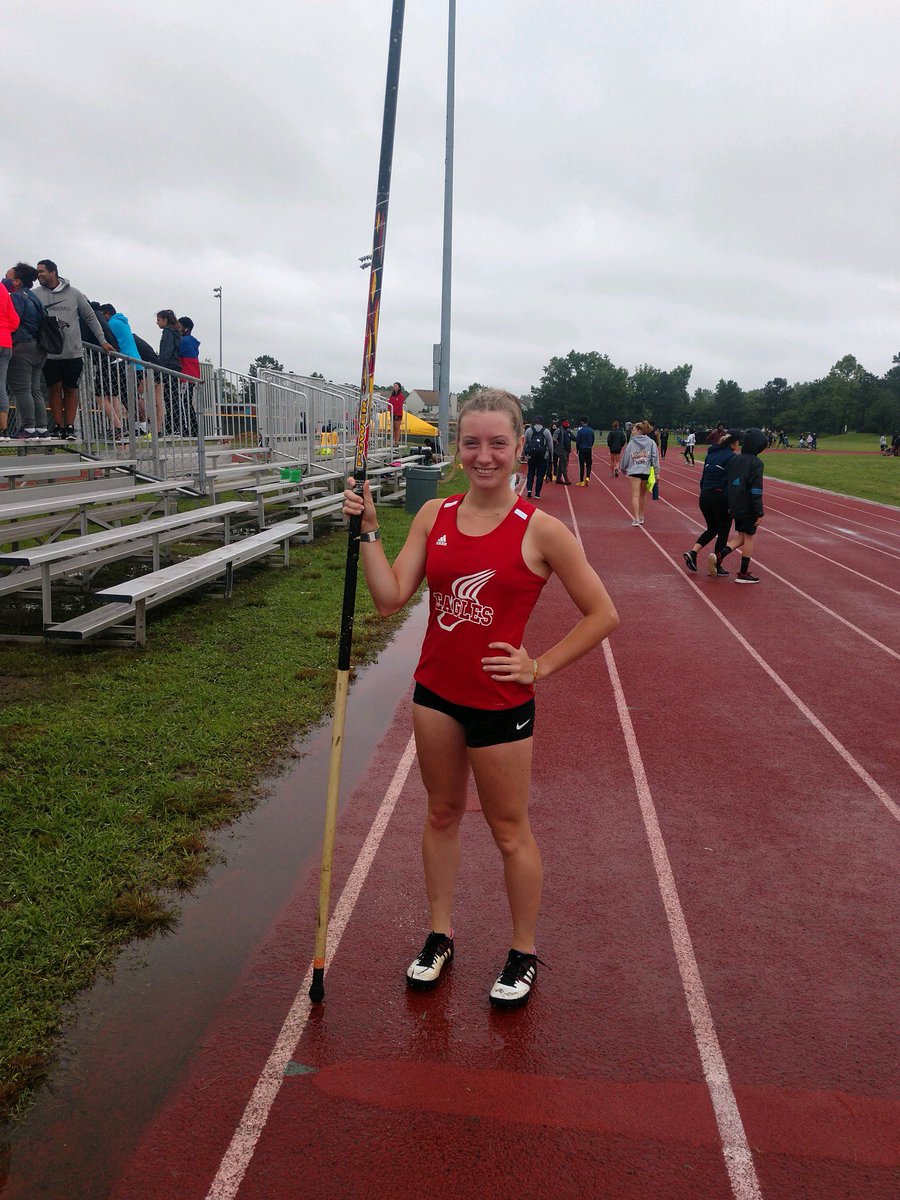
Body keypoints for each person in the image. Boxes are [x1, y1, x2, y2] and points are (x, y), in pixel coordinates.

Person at [342, 387, 619, 1008]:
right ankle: (439, 936)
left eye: (498, 443)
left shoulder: (541, 530)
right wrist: (367, 532)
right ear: (457, 447)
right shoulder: (434, 515)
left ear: (521, 448)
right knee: (441, 814)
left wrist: (539, 665)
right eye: (472, 442)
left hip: (499, 704)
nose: (484, 455)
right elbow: (390, 600)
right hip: (435, 693)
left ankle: (523, 951)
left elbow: (602, 614)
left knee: (509, 831)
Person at [33, 260, 114, 440]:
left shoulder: (74, 294)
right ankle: (58, 426)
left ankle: (70, 426)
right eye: (37, 272)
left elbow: (91, 318)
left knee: (71, 389)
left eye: (42, 271)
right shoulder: (35, 295)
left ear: (53, 272)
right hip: (48, 352)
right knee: (54, 389)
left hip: (72, 352)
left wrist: (102, 341)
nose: (38, 275)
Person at [681, 430, 740, 577]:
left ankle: (693, 552)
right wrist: (730, 503)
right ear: (733, 444)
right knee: (724, 531)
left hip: (705, 495)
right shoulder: (732, 458)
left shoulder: (711, 455)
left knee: (712, 528)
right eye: (738, 443)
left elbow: (703, 478)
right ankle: (716, 565)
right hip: (719, 496)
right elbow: (731, 482)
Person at [4, 263, 50, 440]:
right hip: (39, 348)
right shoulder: (34, 297)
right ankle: (42, 428)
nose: (4, 280)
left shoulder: (16, 297)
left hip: (23, 346)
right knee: (35, 389)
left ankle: (28, 428)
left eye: (8, 277)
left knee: (22, 389)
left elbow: (12, 322)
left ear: (16, 281)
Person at [716, 427, 767, 584]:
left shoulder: (735, 459)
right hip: (748, 506)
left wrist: (730, 503)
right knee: (750, 537)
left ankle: (720, 555)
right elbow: (756, 489)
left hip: (735, 503)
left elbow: (730, 483)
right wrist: (759, 512)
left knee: (741, 536)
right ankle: (743, 573)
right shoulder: (756, 463)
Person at [99, 304, 145, 434]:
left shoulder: (112, 324)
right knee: (132, 396)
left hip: (129, 363)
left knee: (128, 397)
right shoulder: (122, 322)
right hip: (136, 362)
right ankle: (141, 424)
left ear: (107, 314)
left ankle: (141, 425)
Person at [619, 420, 659, 526]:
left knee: (635, 496)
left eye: (633, 430)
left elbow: (626, 457)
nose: (632, 432)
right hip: (645, 471)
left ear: (639, 430)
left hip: (634, 471)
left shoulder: (632, 443)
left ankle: (636, 518)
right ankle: (641, 516)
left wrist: (623, 468)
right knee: (643, 495)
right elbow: (655, 457)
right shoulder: (651, 442)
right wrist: (656, 471)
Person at [156, 310, 184, 434]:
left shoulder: (168, 332)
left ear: (165, 320)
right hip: (175, 367)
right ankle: (176, 426)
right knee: (173, 398)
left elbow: (166, 352)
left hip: (170, 367)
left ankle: (172, 427)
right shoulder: (175, 332)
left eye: (159, 320)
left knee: (170, 399)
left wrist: (160, 367)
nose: (157, 323)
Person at [0, 282, 19, 438]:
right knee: (1, 386)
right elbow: (14, 320)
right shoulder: (3, 291)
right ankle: (3, 429)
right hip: (5, 341)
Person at [522, 415, 553, 499]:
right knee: (540, 475)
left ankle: (529, 489)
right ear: (542, 422)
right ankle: (537, 493)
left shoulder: (529, 430)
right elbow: (550, 445)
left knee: (531, 472)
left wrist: (523, 454)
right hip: (542, 456)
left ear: (534, 421)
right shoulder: (546, 431)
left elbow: (524, 443)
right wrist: (551, 456)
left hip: (531, 456)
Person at [575, 416, 594, 485]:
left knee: (581, 465)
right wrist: (590, 445)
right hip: (588, 449)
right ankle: (588, 477)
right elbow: (592, 440)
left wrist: (577, 449)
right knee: (589, 464)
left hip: (581, 449)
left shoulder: (580, 431)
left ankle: (581, 480)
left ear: (582, 422)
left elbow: (578, 441)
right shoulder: (591, 431)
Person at [553, 419, 572, 484]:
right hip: (562, 450)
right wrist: (557, 441)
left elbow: (573, 437)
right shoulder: (558, 430)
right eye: (566, 426)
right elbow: (554, 438)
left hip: (567, 450)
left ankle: (558, 478)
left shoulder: (568, 431)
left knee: (561, 464)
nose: (567, 427)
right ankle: (566, 479)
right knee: (564, 464)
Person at [388, 381, 405, 447]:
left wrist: (393, 409)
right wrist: (390, 410)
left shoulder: (401, 396)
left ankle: (396, 442)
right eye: (394, 386)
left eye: (395, 386)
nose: (394, 387)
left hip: (398, 413)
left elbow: (399, 404)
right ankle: (393, 441)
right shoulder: (392, 396)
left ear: (399, 387)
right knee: (393, 427)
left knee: (397, 428)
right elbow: (389, 403)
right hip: (392, 413)